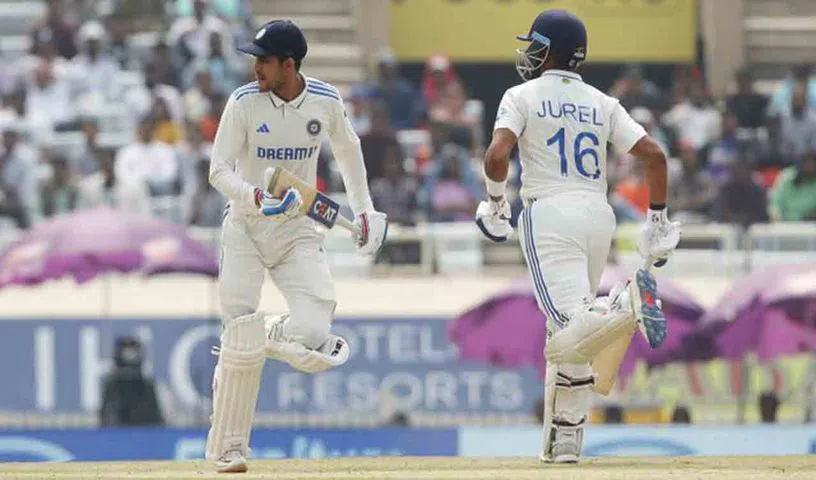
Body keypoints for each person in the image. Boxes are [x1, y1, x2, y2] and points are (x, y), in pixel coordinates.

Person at [474, 10, 680, 464]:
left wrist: (495, 203)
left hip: (549, 213)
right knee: (574, 332)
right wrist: (658, 222)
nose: (529, 53)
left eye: (534, 45)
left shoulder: (520, 95)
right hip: (598, 216)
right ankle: (564, 440)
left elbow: (496, 156)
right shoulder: (602, 102)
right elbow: (655, 156)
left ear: (548, 51)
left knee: (568, 332)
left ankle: (624, 304)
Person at [205, 20, 387, 473]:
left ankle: (264, 334)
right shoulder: (243, 102)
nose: (255, 68)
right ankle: (228, 449)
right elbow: (218, 169)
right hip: (246, 226)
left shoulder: (325, 100)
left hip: (297, 227)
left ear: (289, 65)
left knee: (311, 332)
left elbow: (348, 152)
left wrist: (364, 210)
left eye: (263, 61)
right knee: (239, 335)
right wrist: (254, 197)